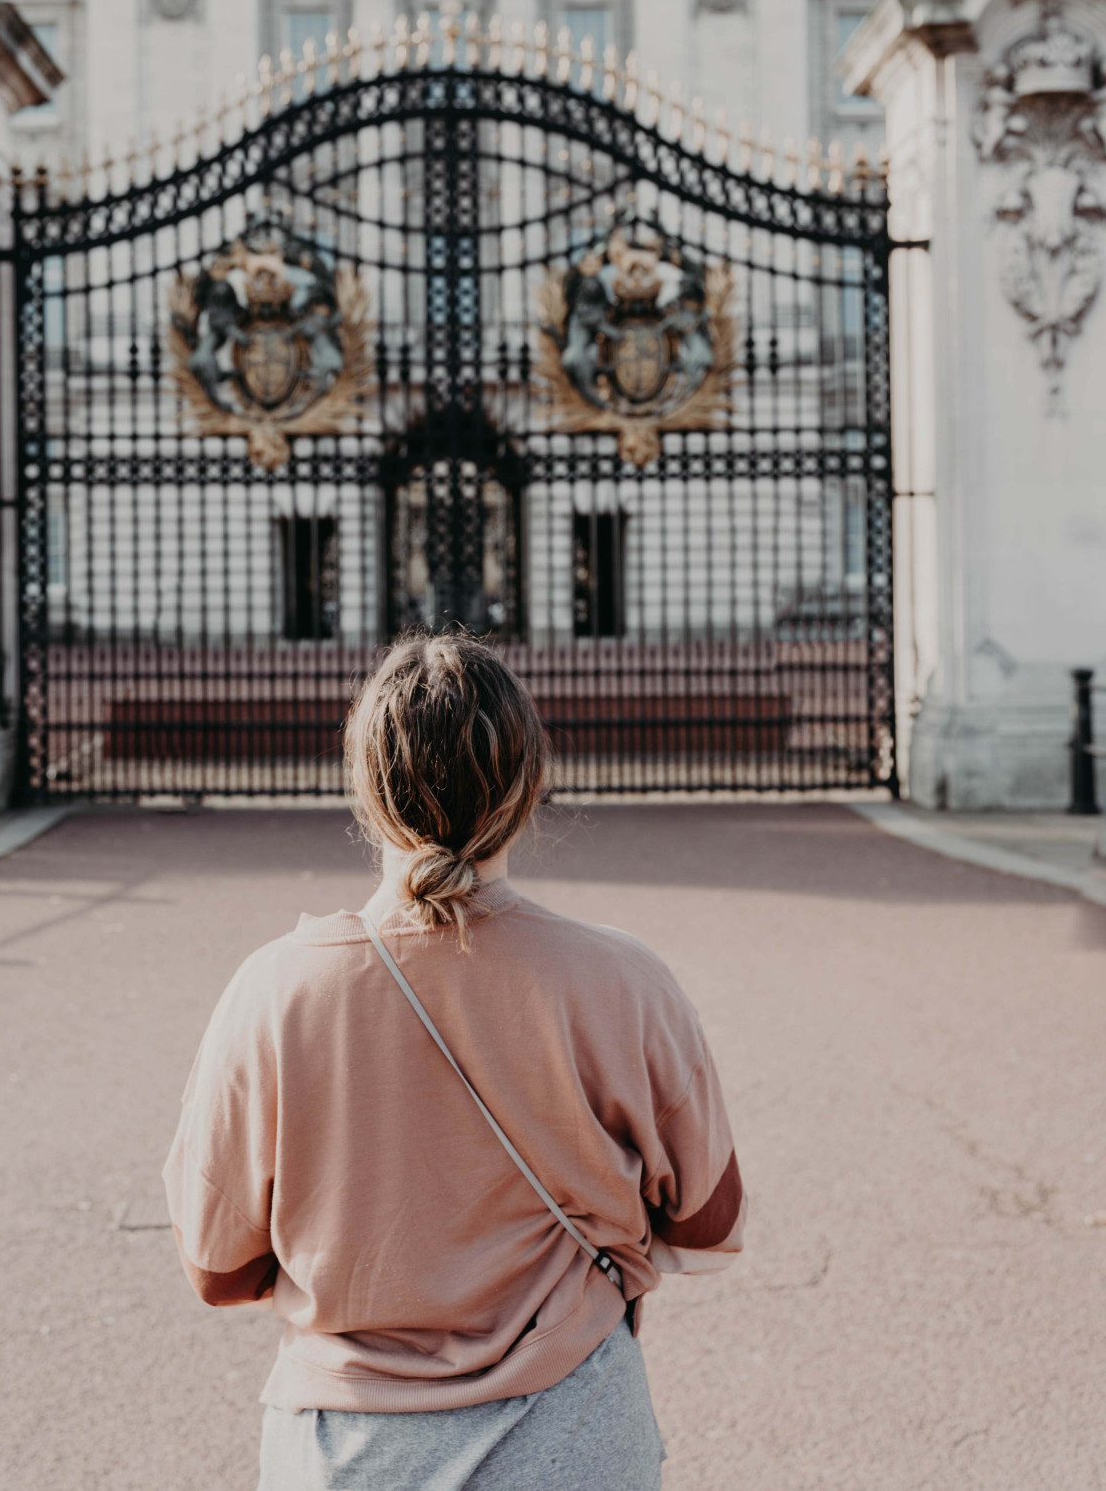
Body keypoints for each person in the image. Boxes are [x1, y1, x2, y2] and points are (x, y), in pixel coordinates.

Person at [164, 631, 747, 1490]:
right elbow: (709, 1216)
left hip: (346, 1446)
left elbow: (215, 1268)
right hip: (574, 1426)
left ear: (364, 790)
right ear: (529, 788)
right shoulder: (620, 978)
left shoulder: (275, 989)